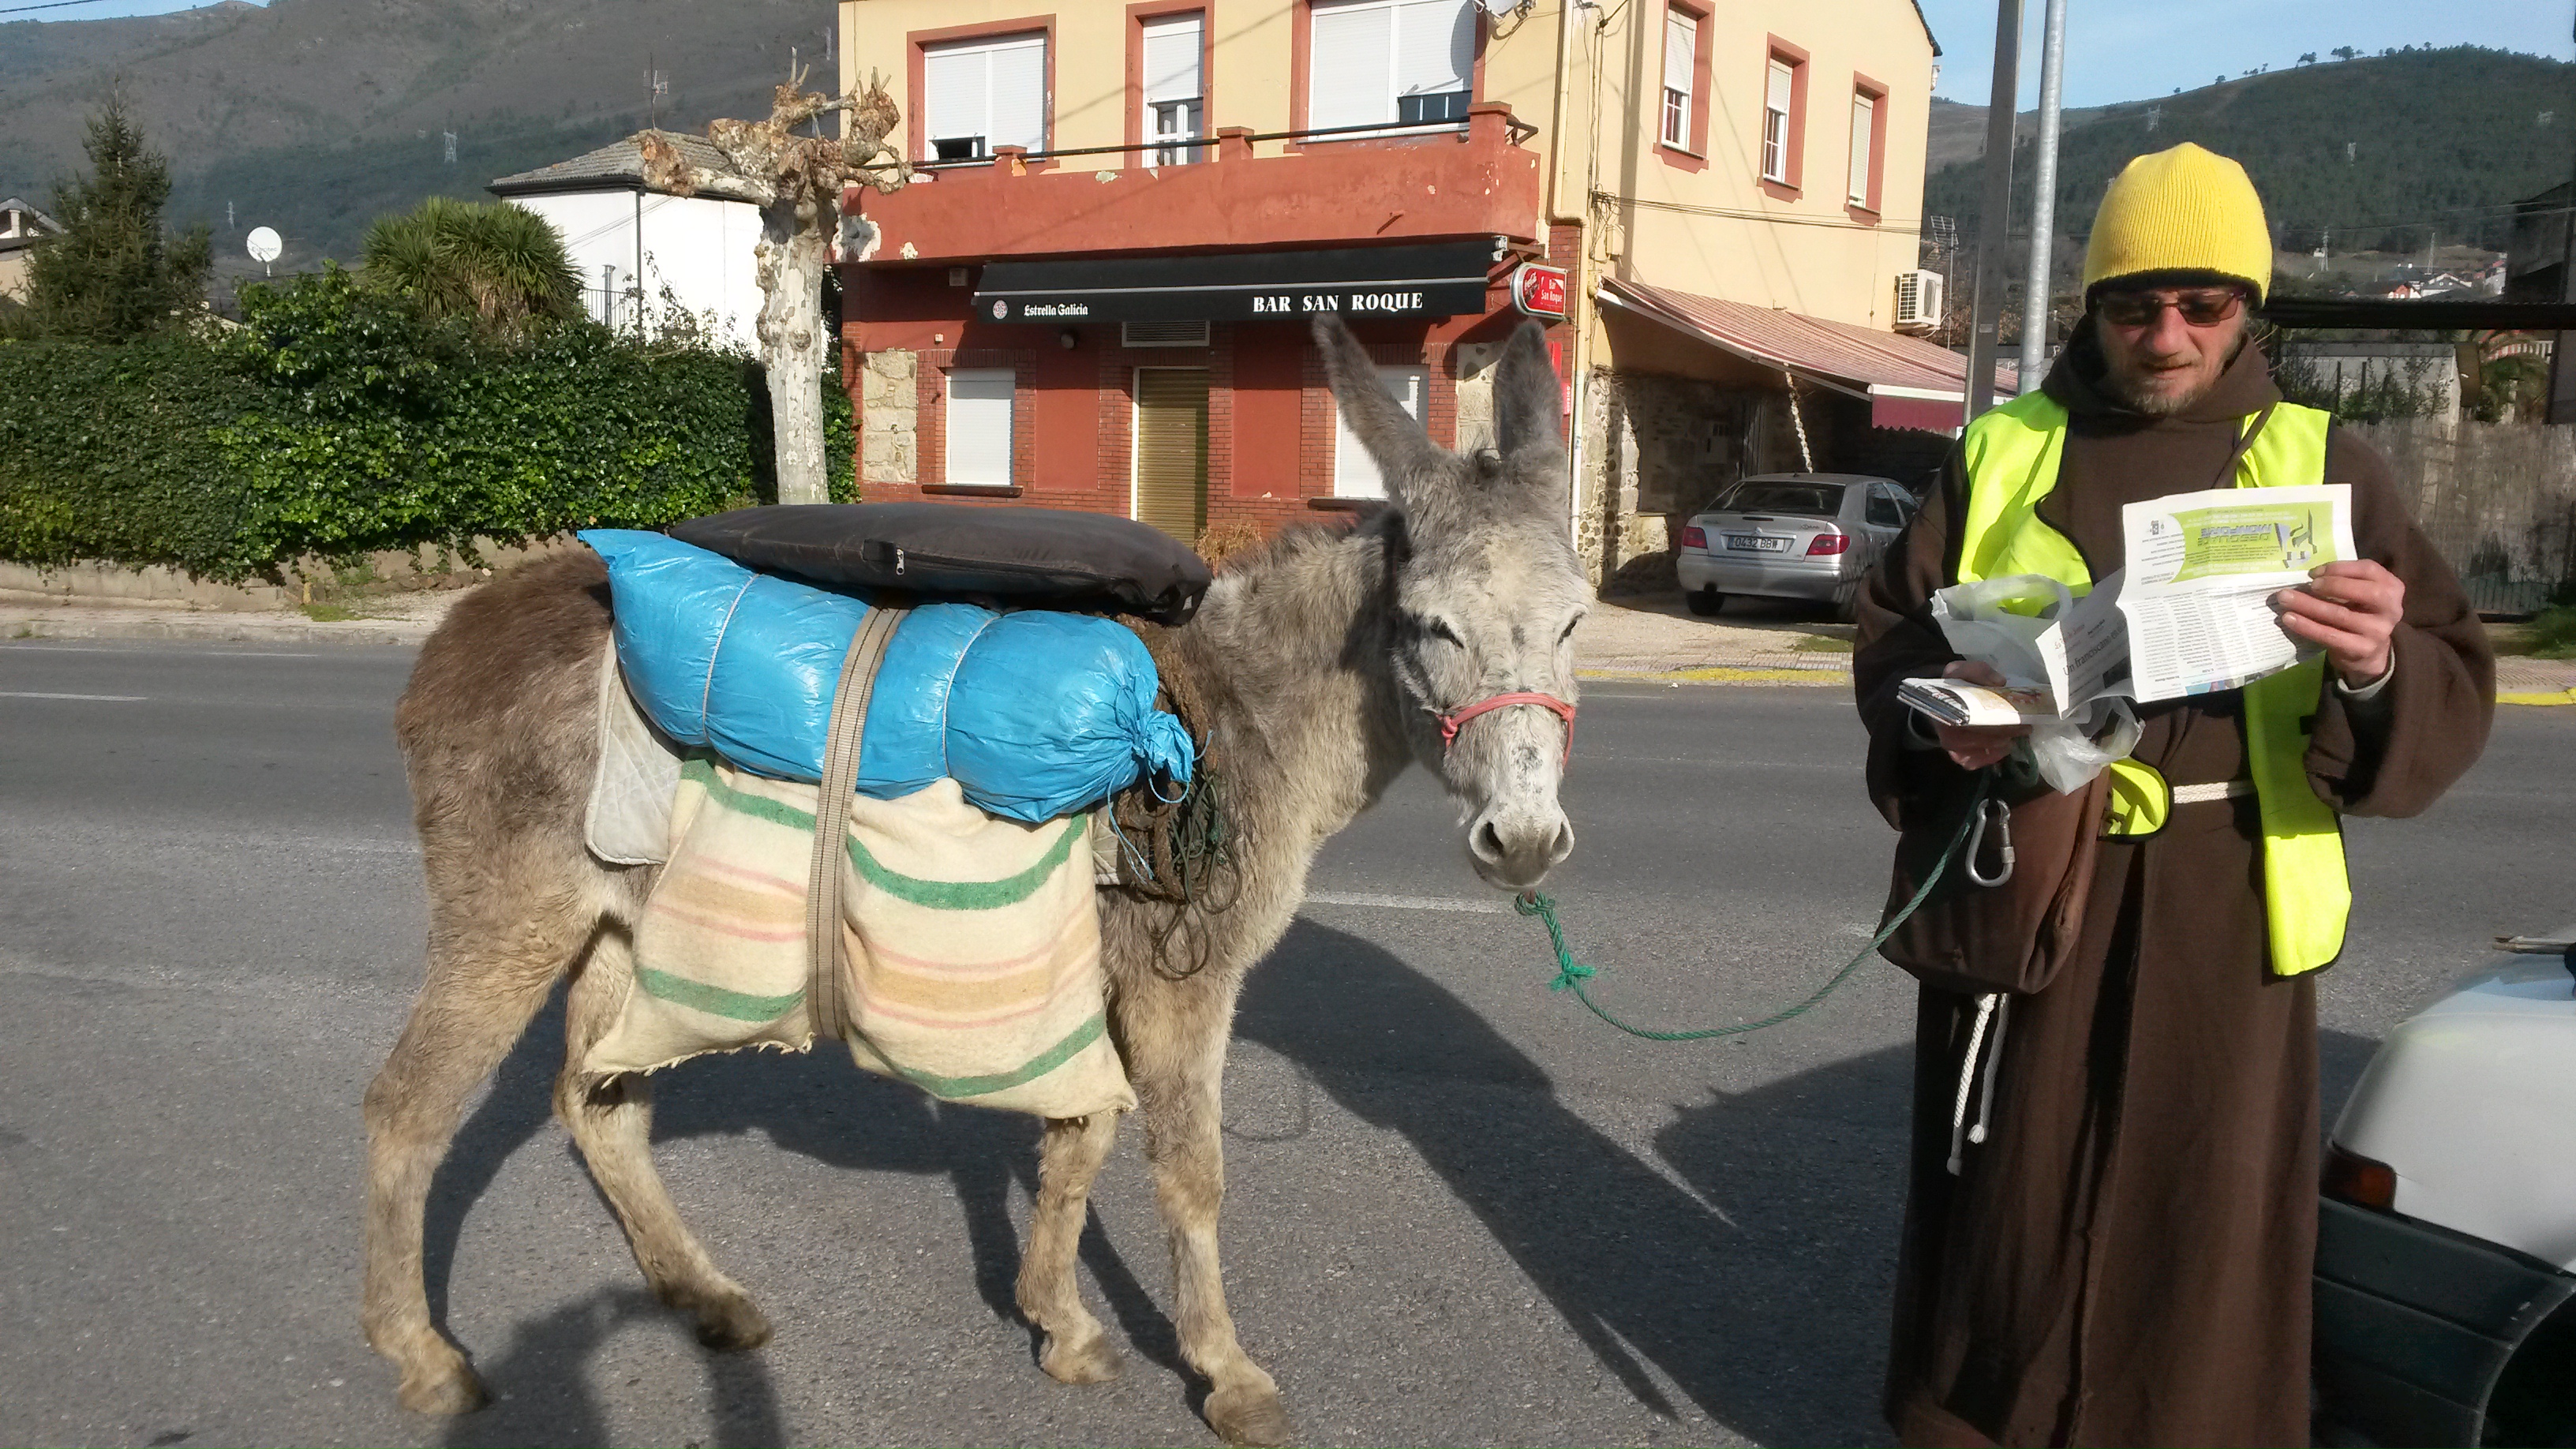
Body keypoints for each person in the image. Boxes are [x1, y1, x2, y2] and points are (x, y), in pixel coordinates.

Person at [1852, 142, 2495, 1448]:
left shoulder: (2327, 462)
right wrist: (1950, 714)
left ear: (2248, 308)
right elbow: (1892, 641)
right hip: (2036, 872)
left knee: (2206, 1209)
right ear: (2091, 306)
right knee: (2012, 1195)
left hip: (2228, 895)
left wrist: (2377, 664)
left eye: (2204, 304)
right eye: (2133, 304)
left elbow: (2448, 670)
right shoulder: (2003, 450)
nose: (2166, 336)